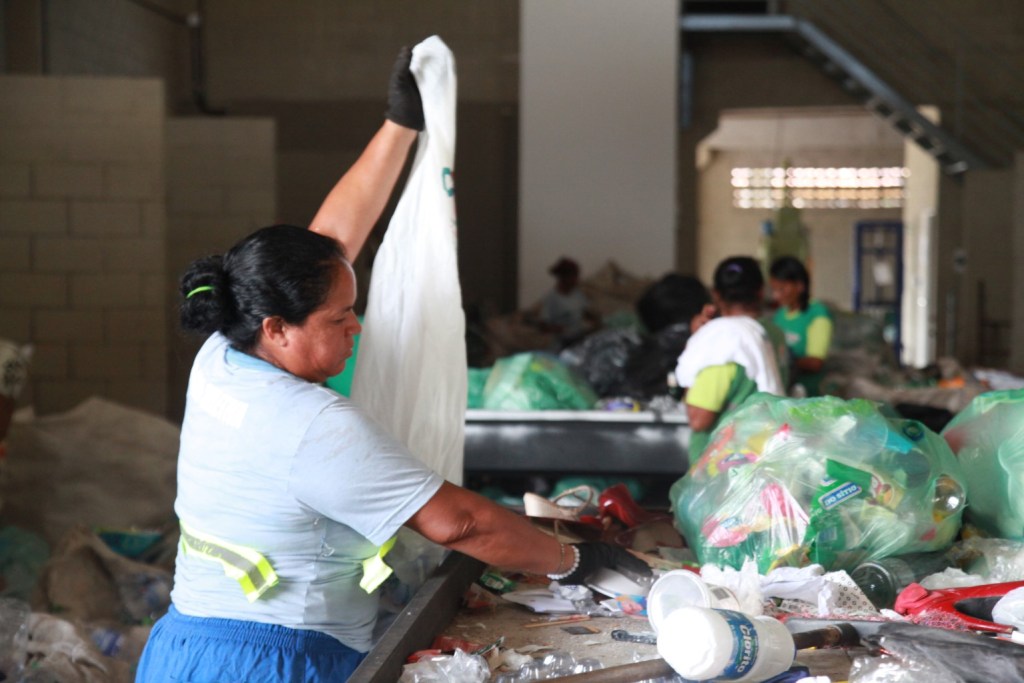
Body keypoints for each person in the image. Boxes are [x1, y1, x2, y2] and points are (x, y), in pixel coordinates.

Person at [135, 47, 647, 682]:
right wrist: (575, 561)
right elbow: (458, 521)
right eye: (339, 319)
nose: (358, 327)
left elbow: (331, 240)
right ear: (279, 327)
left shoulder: (224, 349)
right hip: (275, 661)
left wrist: (400, 123)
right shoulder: (312, 423)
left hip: (188, 649)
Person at [674, 256, 785, 458]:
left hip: (721, 470)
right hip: (766, 457)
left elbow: (699, 419)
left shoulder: (723, 340)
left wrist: (700, 343)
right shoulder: (773, 334)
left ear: (716, 294)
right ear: (760, 292)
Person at [769, 256, 833, 396]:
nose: (776, 296)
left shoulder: (817, 315)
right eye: (774, 289)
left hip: (808, 395)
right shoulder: (780, 314)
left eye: (782, 289)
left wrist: (783, 360)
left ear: (800, 286)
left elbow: (816, 363)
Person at [535, 257, 600, 347]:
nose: (577, 279)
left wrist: (596, 321)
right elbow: (542, 327)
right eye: (574, 276)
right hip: (563, 342)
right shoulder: (552, 298)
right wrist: (560, 329)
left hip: (579, 337)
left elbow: (585, 311)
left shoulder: (577, 294)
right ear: (564, 278)